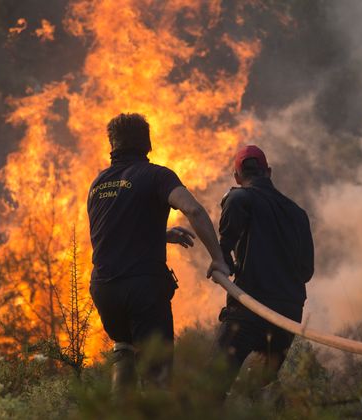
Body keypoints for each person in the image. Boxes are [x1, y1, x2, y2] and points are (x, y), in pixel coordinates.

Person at [87, 113, 229, 393]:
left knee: (124, 351)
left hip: (103, 290)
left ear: (111, 147)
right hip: (142, 289)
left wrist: (161, 236)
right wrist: (218, 258)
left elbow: (113, 232)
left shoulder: (98, 184)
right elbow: (193, 210)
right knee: (158, 376)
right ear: (148, 145)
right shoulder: (156, 175)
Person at [215, 145, 314, 396]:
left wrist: (225, 256)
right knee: (254, 385)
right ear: (268, 172)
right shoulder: (298, 214)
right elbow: (306, 272)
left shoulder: (239, 198)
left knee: (212, 383)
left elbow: (235, 206)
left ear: (237, 176)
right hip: (288, 316)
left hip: (250, 308)